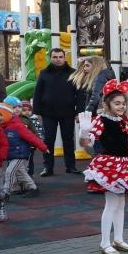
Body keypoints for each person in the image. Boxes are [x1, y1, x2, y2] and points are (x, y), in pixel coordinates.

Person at [80, 80, 128, 254]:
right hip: (108, 166)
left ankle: (119, 239)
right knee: (112, 204)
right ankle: (104, 242)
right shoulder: (100, 121)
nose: (121, 106)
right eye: (117, 103)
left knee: (120, 204)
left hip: (124, 164)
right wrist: (83, 132)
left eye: (123, 103)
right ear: (106, 104)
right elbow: (86, 144)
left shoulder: (123, 122)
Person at [34, 48, 80, 176]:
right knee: (48, 140)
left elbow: (80, 94)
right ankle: (48, 168)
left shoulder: (73, 73)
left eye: (60, 57)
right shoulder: (43, 73)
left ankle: (71, 166)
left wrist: (79, 112)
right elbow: (37, 93)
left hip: (68, 112)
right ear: (50, 58)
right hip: (48, 113)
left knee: (68, 140)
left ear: (65, 58)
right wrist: (36, 112)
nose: (58, 59)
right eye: (55, 57)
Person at [0, 102, 47, 199]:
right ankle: (33, 188)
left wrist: (43, 147)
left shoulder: (18, 125)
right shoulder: (1, 127)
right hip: (11, 154)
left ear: (6, 115)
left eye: (0, 115)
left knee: (9, 172)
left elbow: (31, 137)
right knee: (21, 172)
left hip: (20, 154)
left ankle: (6, 192)